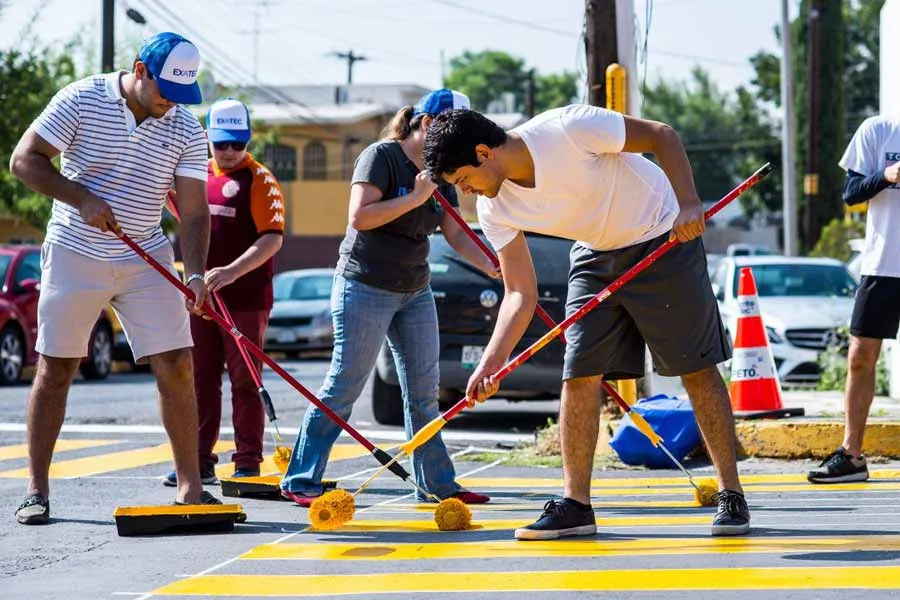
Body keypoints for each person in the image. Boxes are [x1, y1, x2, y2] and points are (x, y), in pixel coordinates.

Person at [423, 105, 750, 539]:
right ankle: (576, 504)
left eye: (463, 179)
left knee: (696, 367)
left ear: (484, 153)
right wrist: (491, 362)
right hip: (594, 255)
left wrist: (690, 203)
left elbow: (662, 134)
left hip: (661, 235)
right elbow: (520, 293)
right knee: (578, 372)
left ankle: (731, 493)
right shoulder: (493, 208)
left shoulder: (569, 129)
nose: (465, 192)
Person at [9, 32, 219, 525]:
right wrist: (81, 198)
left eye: (182, 94)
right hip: (75, 249)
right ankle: (36, 490)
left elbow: (193, 212)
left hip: (145, 251)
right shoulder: (82, 98)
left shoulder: (186, 129)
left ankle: (191, 488)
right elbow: (24, 161)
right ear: (140, 70)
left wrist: (195, 274)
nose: (172, 104)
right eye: (166, 90)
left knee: (178, 363)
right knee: (57, 368)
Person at [279, 90, 495, 506]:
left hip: (414, 289)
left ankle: (436, 485)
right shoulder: (381, 157)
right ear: (427, 124)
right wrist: (414, 198)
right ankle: (301, 479)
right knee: (344, 385)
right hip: (364, 285)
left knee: (424, 392)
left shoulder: (441, 169)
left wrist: (490, 264)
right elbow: (360, 217)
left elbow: (455, 233)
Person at [162, 98, 285, 486]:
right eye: (221, 143)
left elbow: (272, 239)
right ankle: (198, 460)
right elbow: (184, 214)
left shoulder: (260, 179)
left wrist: (231, 272)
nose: (230, 151)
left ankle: (247, 460)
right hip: (201, 297)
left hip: (245, 299)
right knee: (199, 379)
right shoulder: (195, 174)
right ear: (207, 139)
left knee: (245, 381)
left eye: (238, 143)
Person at [808, 115, 900, 484]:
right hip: (883, 265)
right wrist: (887, 176)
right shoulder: (879, 130)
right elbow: (851, 193)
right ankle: (852, 455)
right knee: (860, 357)